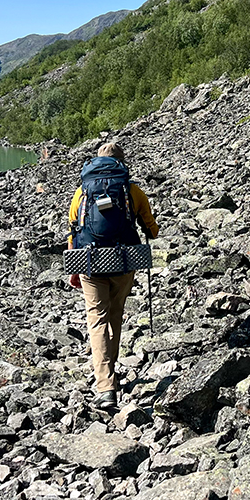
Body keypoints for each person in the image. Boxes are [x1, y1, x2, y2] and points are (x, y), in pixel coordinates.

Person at [67, 141, 159, 410]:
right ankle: (111, 371)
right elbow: (151, 230)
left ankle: (104, 385)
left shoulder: (82, 192)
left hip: (90, 262)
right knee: (115, 315)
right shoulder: (132, 190)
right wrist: (150, 228)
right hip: (123, 261)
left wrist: (74, 269)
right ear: (121, 163)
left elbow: (74, 229)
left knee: (96, 320)